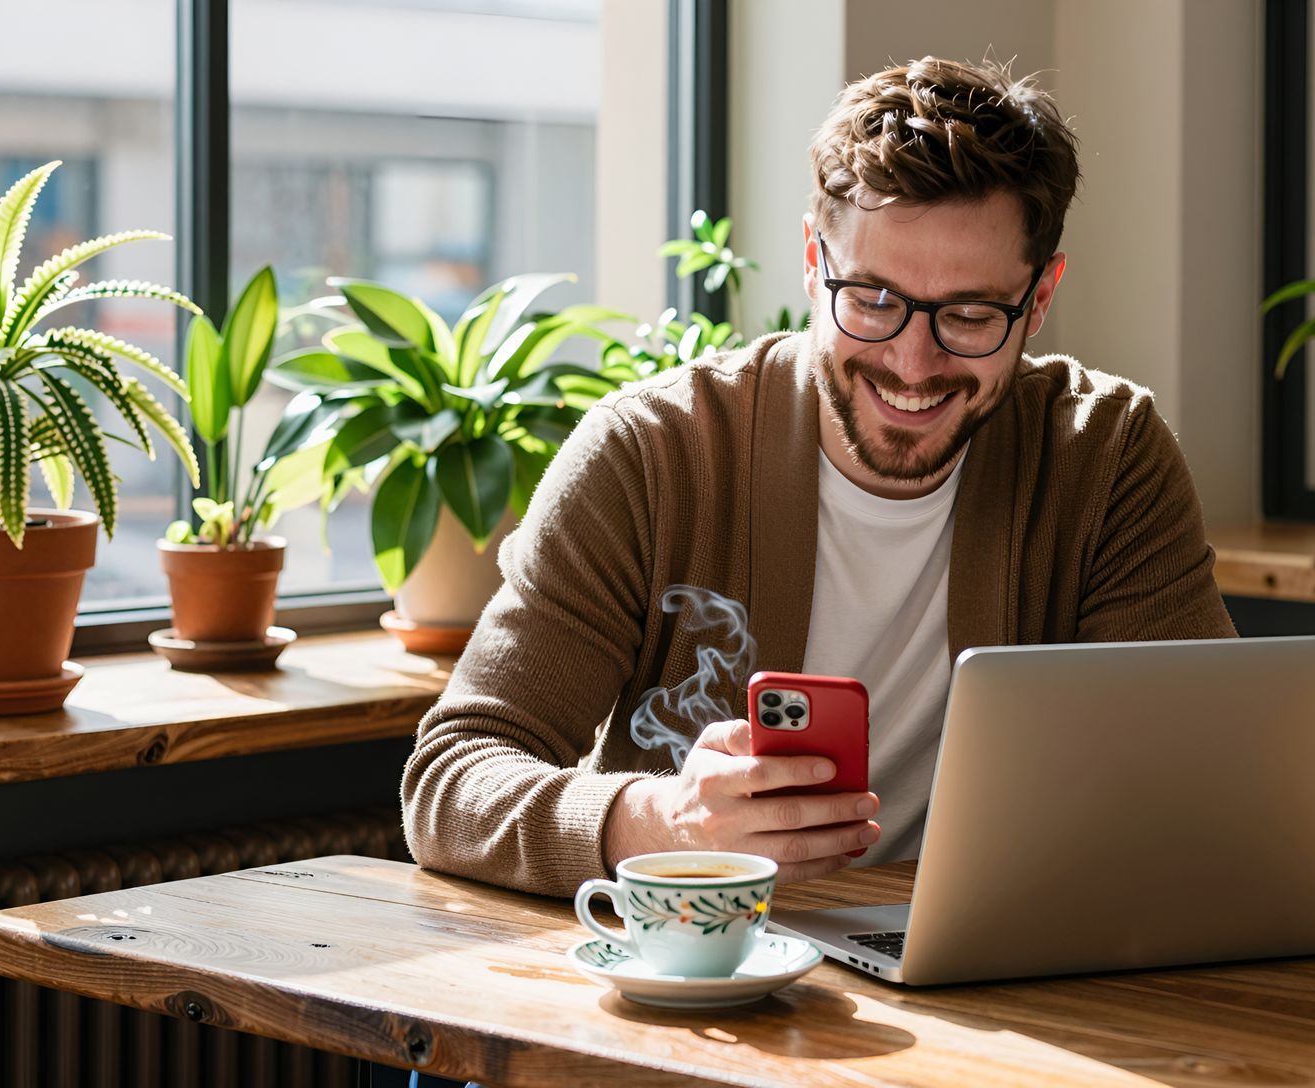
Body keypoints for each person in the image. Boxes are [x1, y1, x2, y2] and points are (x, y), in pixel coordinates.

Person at [401, 56, 1236, 899]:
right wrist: (662, 822)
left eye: (971, 315)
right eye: (871, 298)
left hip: (1008, 970)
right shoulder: (651, 455)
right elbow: (449, 782)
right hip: (719, 973)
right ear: (813, 259)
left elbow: (1206, 765)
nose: (914, 363)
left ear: (1040, 299)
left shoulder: (1104, 456)